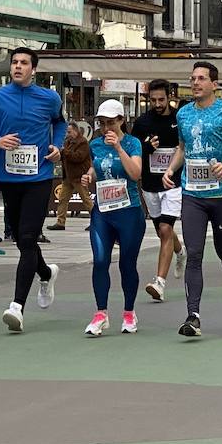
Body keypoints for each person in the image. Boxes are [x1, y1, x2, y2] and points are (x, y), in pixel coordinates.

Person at [0, 47, 66, 332]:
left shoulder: (49, 98)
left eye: (24, 63)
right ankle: (46, 273)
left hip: (39, 178)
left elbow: (60, 123)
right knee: (22, 240)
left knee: (27, 237)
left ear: (33, 69)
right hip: (8, 178)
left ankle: (17, 307)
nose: (18, 67)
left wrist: (57, 146)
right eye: (14, 62)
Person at [161, 61, 222, 337]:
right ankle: (193, 315)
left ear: (214, 84)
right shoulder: (183, 114)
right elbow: (182, 148)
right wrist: (171, 168)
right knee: (194, 254)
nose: (195, 83)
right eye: (192, 78)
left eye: (201, 78)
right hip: (192, 194)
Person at [82, 100, 146, 336]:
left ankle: (129, 313)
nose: (106, 128)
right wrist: (89, 176)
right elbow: (97, 168)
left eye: (111, 122)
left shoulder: (133, 143)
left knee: (126, 263)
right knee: (100, 261)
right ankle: (101, 314)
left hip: (129, 210)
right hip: (103, 211)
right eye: (102, 123)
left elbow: (136, 173)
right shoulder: (95, 145)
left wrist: (119, 148)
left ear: (121, 120)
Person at [133, 79, 186, 303]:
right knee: (162, 231)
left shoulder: (179, 120)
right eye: (153, 100)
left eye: (161, 99)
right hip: (150, 185)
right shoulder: (142, 122)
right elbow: (133, 151)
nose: (157, 103)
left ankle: (159, 283)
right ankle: (180, 251)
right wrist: (146, 147)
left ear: (169, 97)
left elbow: (185, 149)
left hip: (173, 185)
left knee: (165, 229)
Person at [50, 123, 93, 231]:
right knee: (63, 199)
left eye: (69, 132)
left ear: (76, 131)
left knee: (86, 200)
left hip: (79, 176)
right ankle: (60, 222)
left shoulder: (82, 142)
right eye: (66, 132)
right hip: (68, 176)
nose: (67, 134)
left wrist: (64, 151)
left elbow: (79, 157)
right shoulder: (68, 142)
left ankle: (96, 221)